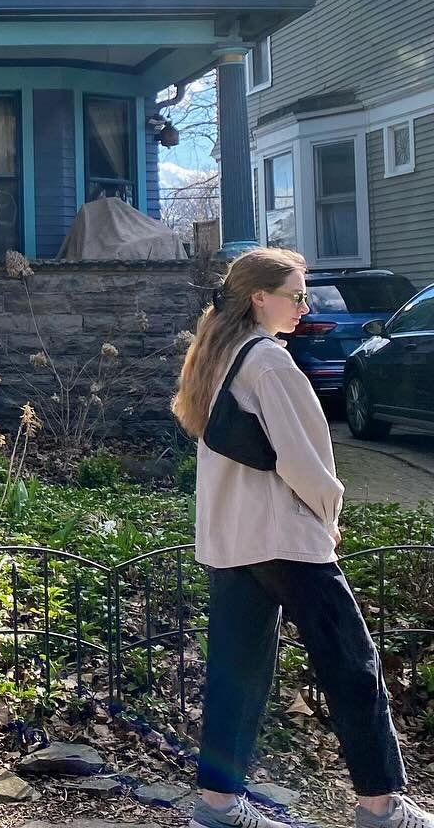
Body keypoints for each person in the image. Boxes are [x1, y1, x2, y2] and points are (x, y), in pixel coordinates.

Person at [172, 246, 434, 828]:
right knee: (351, 664)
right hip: (286, 538)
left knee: (235, 673)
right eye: (295, 294)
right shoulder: (268, 361)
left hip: (231, 541)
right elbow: (304, 463)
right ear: (258, 298)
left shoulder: (216, 356)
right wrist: (329, 514)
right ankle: (382, 805)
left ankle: (217, 806)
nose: (303, 304)